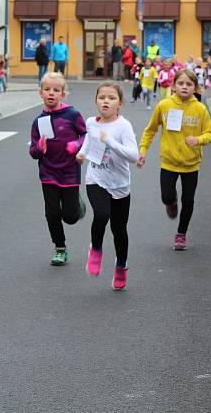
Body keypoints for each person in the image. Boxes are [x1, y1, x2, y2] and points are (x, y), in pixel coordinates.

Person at [137, 69, 211, 251]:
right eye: (181, 83)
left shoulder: (200, 109)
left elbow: (210, 134)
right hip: (169, 162)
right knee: (167, 196)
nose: (185, 87)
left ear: (195, 88)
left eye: (189, 84)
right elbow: (150, 130)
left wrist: (198, 140)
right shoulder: (164, 106)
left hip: (191, 164)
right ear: (173, 86)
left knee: (188, 201)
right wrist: (143, 150)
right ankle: (170, 204)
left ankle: (181, 234)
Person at [76, 82, 138, 290]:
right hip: (96, 178)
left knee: (119, 229)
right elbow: (88, 140)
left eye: (111, 98)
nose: (106, 101)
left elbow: (132, 155)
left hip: (119, 184)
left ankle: (121, 266)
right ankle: (96, 250)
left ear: (119, 103)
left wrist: (110, 141)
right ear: (96, 101)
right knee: (101, 214)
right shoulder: (91, 122)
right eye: (102, 97)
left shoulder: (124, 126)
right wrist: (82, 153)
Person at [29, 72, 87, 266]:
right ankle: (59, 247)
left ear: (63, 94)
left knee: (70, 217)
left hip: (69, 172)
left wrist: (77, 145)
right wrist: (39, 148)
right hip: (48, 172)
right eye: (47, 90)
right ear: (40, 93)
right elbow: (33, 150)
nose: (51, 93)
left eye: (56, 90)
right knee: (52, 213)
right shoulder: (38, 121)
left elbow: (86, 135)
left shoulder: (72, 114)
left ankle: (77, 205)